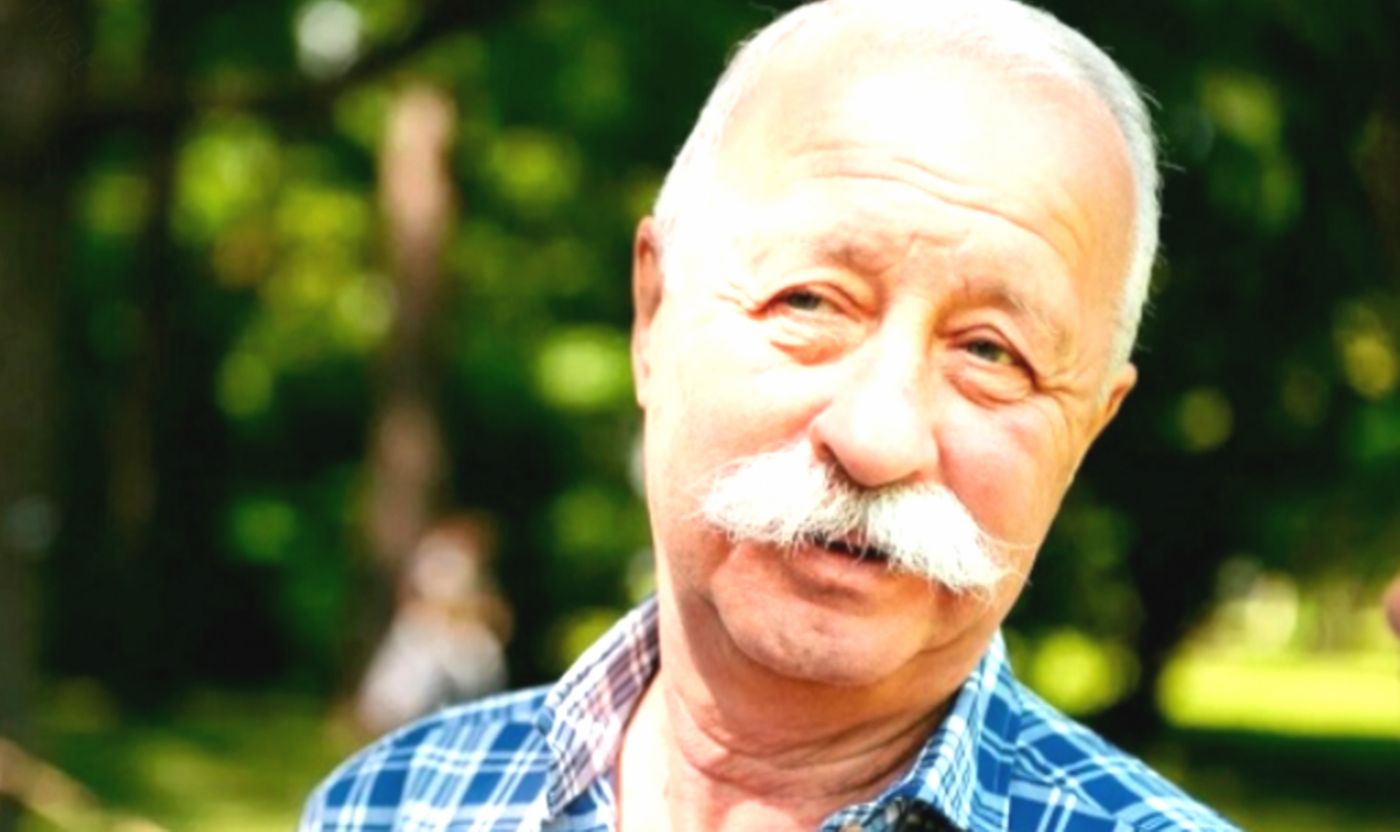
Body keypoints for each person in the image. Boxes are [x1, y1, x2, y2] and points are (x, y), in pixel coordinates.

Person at [301, 1, 1240, 829]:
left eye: (991, 353)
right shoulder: (390, 806)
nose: (876, 439)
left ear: (1087, 431)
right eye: (811, 302)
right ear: (653, 317)